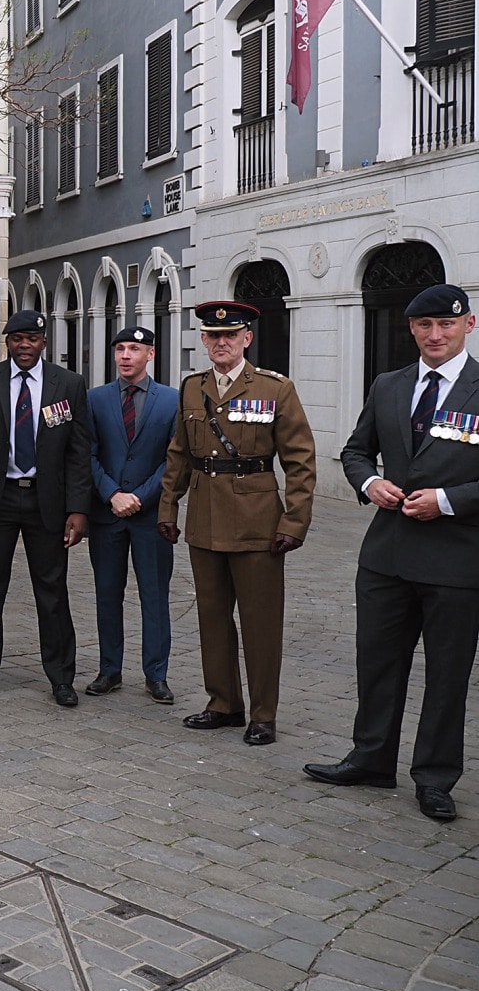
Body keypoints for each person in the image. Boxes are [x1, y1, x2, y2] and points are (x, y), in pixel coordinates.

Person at [310, 283, 479, 821]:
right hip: (387, 556)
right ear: (411, 329)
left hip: (457, 560)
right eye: (425, 325)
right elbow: (355, 451)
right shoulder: (389, 384)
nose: (436, 334)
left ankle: (435, 778)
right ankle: (371, 759)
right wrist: (368, 484)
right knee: (378, 664)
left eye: (446, 324)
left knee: (447, 676)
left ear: (468, 325)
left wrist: (447, 501)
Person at [157, 300, 315, 747]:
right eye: (213, 336)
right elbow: (179, 455)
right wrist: (168, 507)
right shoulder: (192, 388)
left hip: (257, 521)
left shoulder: (274, 389)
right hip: (205, 518)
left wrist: (294, 521)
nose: (221, 342)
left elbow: (300, 461)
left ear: (247, 338)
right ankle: (223, 702)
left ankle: (263, 713)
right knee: (212, 617)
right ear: (204, 340)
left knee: (260, 622)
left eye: (230, 335)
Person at [0, 309, 91, 707]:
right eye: (17, 339)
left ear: (44, 342)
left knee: (52, 591)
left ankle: (61, 677)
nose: (24, 345)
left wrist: (78, 508)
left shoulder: (69, 384)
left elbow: (79, 452)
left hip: (48, 501)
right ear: (7, 342)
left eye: (32, 339)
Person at [85, 326, 179, 704]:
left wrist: (139, 496)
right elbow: (86, 454)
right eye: (121, 348)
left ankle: (156, 675)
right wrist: (112, 493)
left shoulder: (172, 400)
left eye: (135, 349)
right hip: (107, 515)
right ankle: (109, 670)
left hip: (150, 516)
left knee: (154, 596)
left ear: (150, 355)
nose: (126, 355)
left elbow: (174, 460)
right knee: (107, 595)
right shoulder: (95, 399)